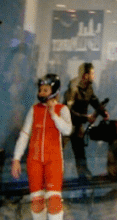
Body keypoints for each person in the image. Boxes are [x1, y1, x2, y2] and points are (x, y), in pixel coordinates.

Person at [11, 74, 72, 220]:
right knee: (36, 201)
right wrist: (16, 159)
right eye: (40, 90)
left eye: (45, 90)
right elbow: (24, 134)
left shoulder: (62, 109)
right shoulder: (34, 109)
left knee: (54, 201)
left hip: (54, 161)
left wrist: (53, 114)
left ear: (54, 91)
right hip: (34, 161)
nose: (41, 93)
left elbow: (67, 130)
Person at [63, 61, 109, 179]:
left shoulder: (88, 87)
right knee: (62, 152)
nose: (94, 76)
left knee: (80, 153)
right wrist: (86, 118)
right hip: (66, 126)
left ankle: (83, 177)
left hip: (78, 125)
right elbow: (68, 111)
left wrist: (103, 112)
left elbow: (94, 100)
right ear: (85, 75)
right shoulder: (73, 88)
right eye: (92, 73)